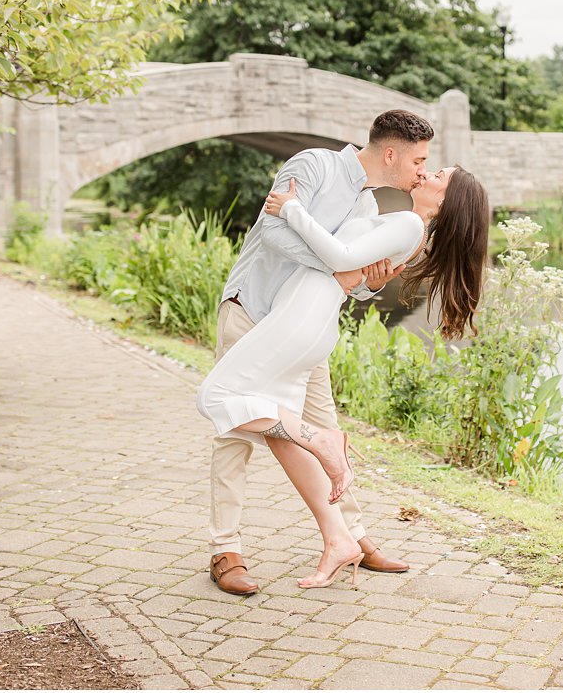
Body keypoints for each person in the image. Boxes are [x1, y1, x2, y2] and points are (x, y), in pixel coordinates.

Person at [199, 158, 490, 589]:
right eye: (423, 162)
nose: (426, 171)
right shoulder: (377, 207)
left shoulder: (410, 225)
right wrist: (365, 277)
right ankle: (340, 538)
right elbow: (354, 267)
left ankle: (325, 446)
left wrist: (291, 209)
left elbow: (341, 258)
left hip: (302, 316)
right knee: (278, 431)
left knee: (216, 397)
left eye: (436, 172)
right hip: (298, 313)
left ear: (445, 199)